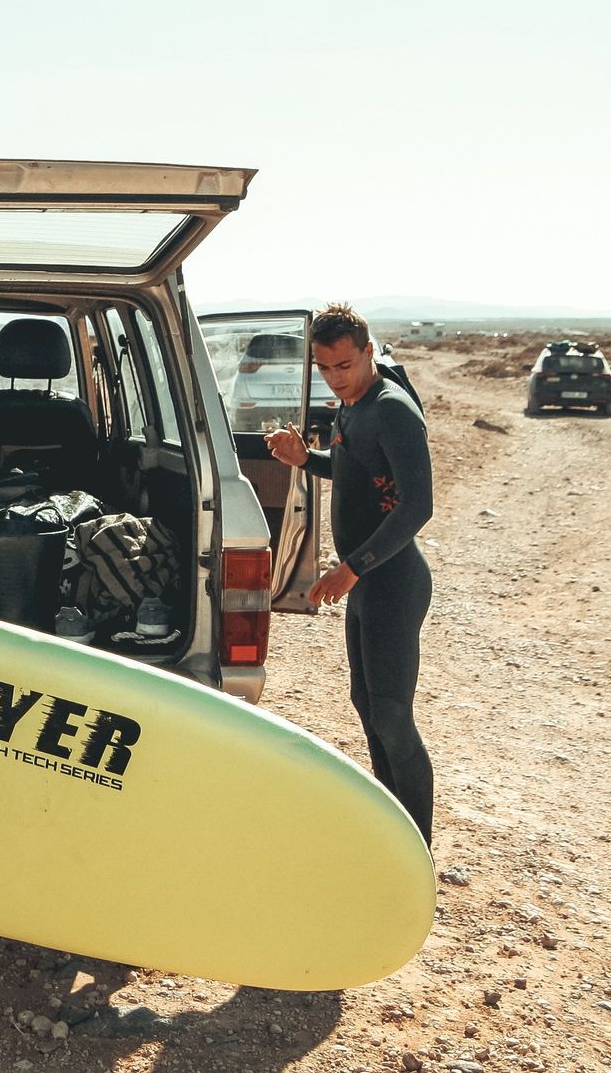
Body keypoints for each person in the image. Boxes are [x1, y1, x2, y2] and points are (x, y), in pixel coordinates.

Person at [265, 303, 435, 845]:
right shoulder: (352, 406)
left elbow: (417, 507)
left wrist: (352, 568)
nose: (336, 379)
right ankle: (393, 832)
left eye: (344, 365)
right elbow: (355, 467)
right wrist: (305, 458)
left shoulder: (391, 409)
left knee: (392, 716)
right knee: (369, 707)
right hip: (366, 583)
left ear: (367, 351)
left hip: (392, 581)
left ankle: (418, 849)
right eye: (325, 369)